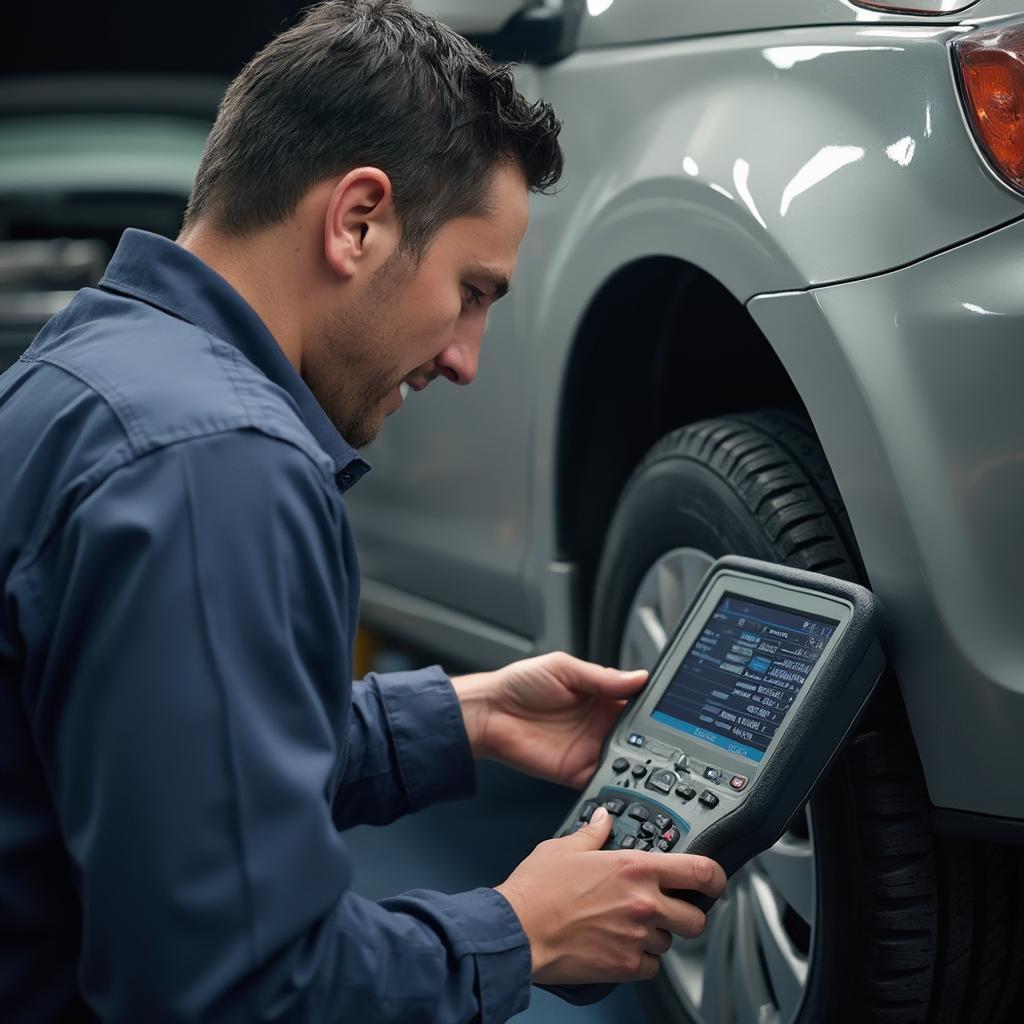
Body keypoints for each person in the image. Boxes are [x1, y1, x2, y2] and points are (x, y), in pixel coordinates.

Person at [0, 2, 726, 1021]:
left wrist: (464, 716)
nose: (466, 359)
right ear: (358, 220)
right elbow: (234, 987)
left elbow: (147, 758)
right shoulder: (220, 466)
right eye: (473, 291)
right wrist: (522, 929)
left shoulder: (85, 371)